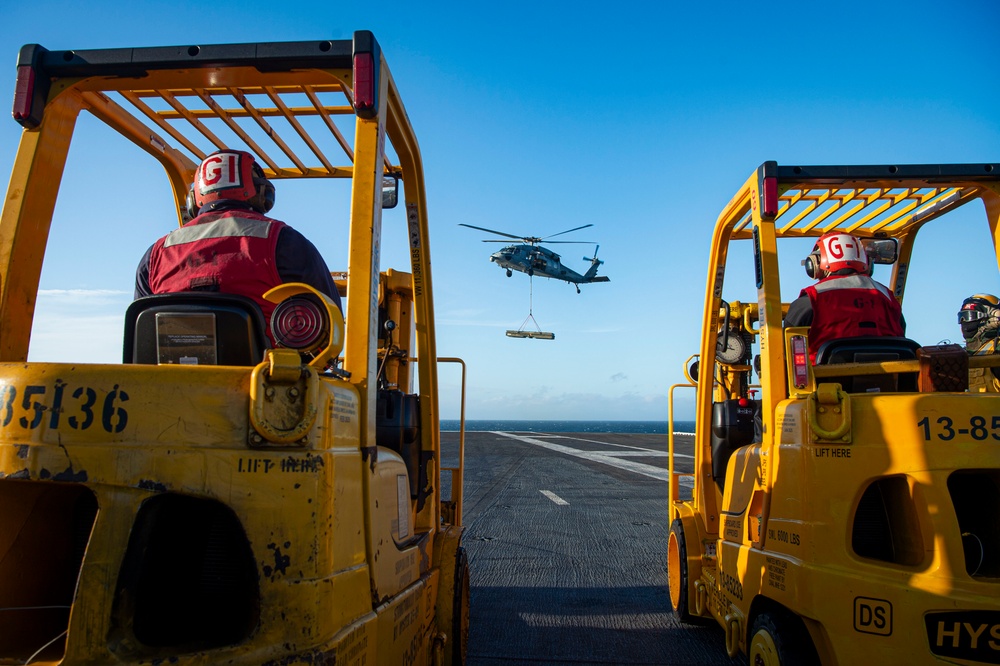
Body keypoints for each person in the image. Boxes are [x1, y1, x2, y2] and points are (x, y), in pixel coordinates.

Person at [135, 150, 342, 337]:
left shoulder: (155, 255)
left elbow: (141, 329)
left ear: (193, 200)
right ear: (263, 194)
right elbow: (329, 324)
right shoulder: (284, 241)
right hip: (265, 376)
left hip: (172, 375)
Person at [784, 231, 905, 362]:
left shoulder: (811, 299)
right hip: (888, 379)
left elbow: (786, 346)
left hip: (826, 380)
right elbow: (901, 333)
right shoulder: (888, 297)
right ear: (867, 263)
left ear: (815, 264)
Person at [957, 293, 1000, 392]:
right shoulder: (957, 356)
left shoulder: (996, 350)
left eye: (970, 316)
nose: (964, 321)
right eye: (961, 317)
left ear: (995, 319)